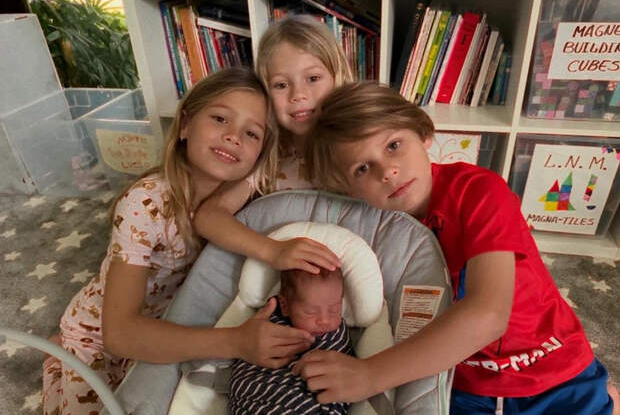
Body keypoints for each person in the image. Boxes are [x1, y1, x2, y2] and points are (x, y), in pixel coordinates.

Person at [300, 81, 618, 415]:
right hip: (461, 382)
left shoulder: (480, 191)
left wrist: (369, 375)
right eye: (363, 169)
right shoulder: (373, 228)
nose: (388, 172)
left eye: (393, 145)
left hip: (552, 369)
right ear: (350, 190)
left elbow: (489, 315)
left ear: (423, 133)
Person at [41, 67, 316, 415]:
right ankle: (57, 356)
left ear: (260, 156)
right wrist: (235, 341)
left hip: (168, 322)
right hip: (100, 334)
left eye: (251, 133)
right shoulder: (144, 204)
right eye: (220, 119)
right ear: (185, 125)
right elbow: (120, 334)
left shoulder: (246, 198)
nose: (233, 137)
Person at [193, 15, 351, 275]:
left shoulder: (356, 149)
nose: (298, 95)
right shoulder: (270, 158)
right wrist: (273, 251)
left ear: (338, 77)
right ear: (265, 93)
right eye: (281, 85)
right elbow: (208, 217)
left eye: (313, 78)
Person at [229, 267, 352, 415]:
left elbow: (344, 373)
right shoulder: (266, 323)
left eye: (334, 310)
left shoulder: (335, 334)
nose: (324, 320)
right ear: (285, 306)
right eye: (311, 312)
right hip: (259, 397)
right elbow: (247, 354)